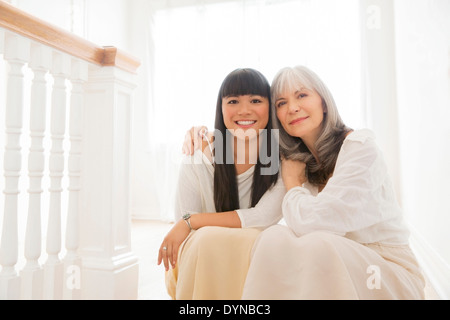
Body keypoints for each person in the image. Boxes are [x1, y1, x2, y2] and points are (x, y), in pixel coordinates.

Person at [239, 65, 426, 299]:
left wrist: (294, 186)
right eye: (281, 103)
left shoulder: (360, 148)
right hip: (336, 263)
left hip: (383, 270)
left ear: (324, 103)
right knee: (273, 237)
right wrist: (205, 137)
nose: (293, 108)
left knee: (318, 244)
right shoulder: (294, 161)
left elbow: (317, 223)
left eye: (302, 95)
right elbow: (262, 214)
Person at [158, 68, 286, 300]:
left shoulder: (282, 158)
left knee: (259, 240)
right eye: (233, 101)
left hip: (252, 258)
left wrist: (192, 221)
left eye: (255, 100)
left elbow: (264, 216)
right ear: (221, 107)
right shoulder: (198, 154)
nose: (244, 110)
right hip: (203, 256)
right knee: (207, 240)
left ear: (270, 107)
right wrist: (189, 223)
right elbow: (185, 226)